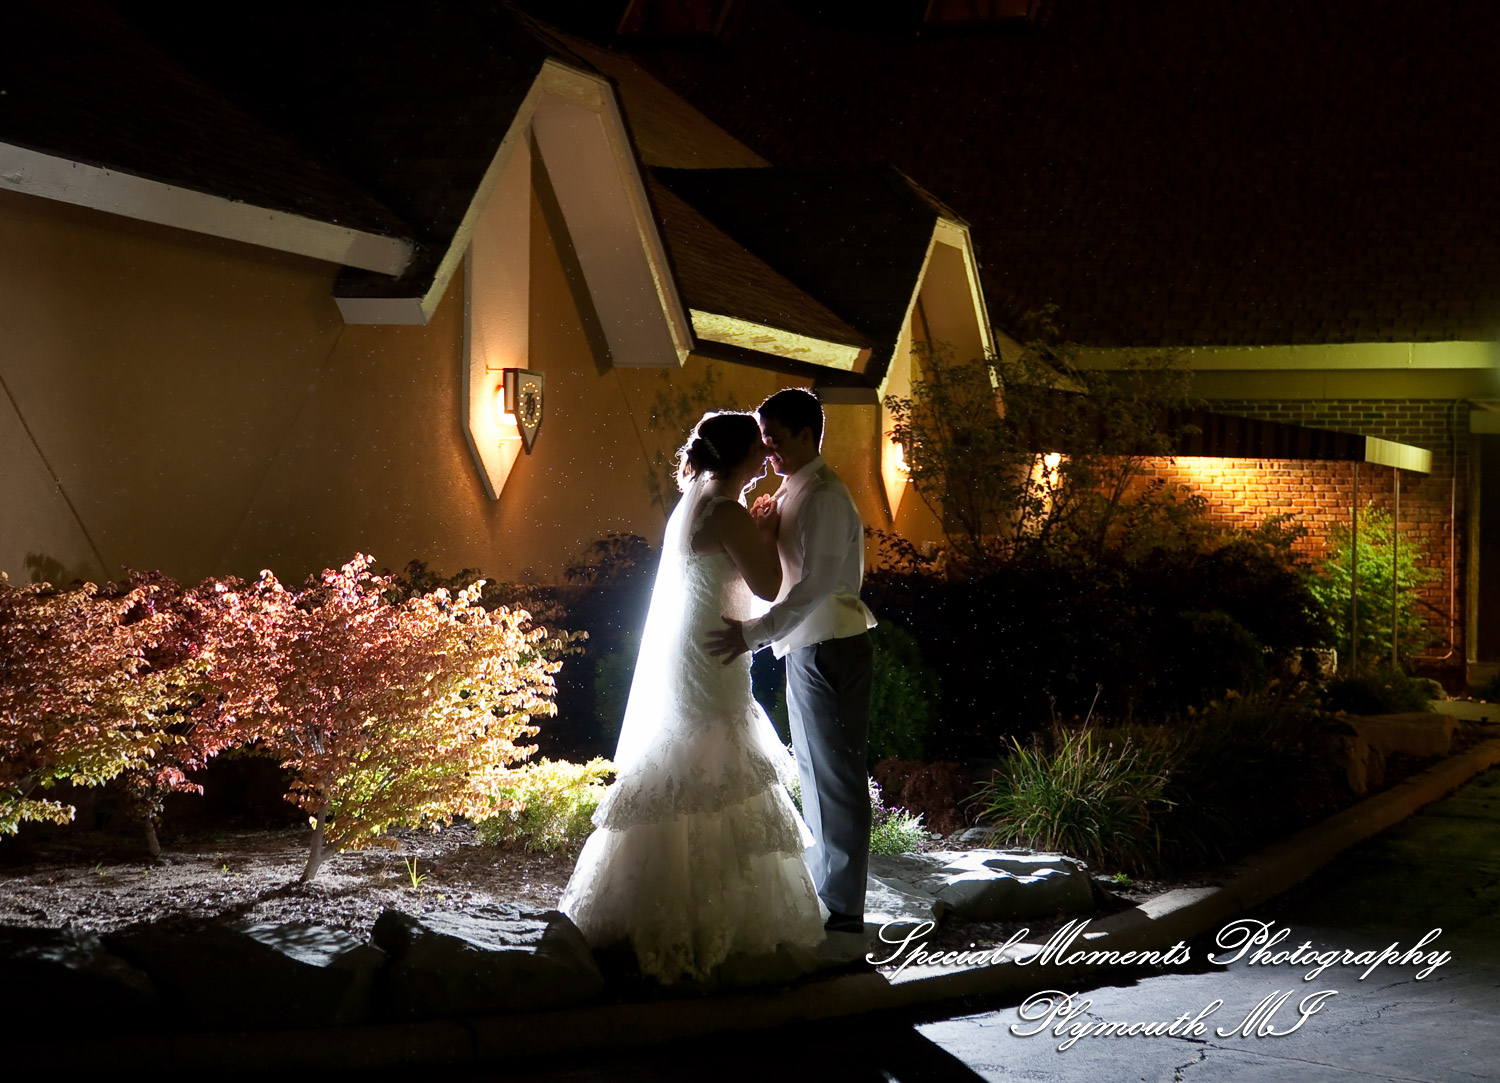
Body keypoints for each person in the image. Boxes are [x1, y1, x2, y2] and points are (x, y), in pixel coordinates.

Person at [559, 411, 826, 984]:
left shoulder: (701, 505)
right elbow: (768, 587)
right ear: (740, 456)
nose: (766, 454)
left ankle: (656, 904)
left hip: (697, 645)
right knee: (717, 757)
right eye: (759, 447)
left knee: (689, 755)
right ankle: (710, 916)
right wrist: (769, 532)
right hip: (715, 649)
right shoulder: (727, 511)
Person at [706, 388, 877, 937]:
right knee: (815, 769)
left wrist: (754, 635)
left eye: (775, 439)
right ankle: (831, 894)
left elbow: (816, 585)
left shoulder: (823, 497)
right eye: (764, 440)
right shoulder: (792, 491)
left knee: (836, 774)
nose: (768, 450)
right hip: (808, 645)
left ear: (807, 434)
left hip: (830, 645)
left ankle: (844, 907)